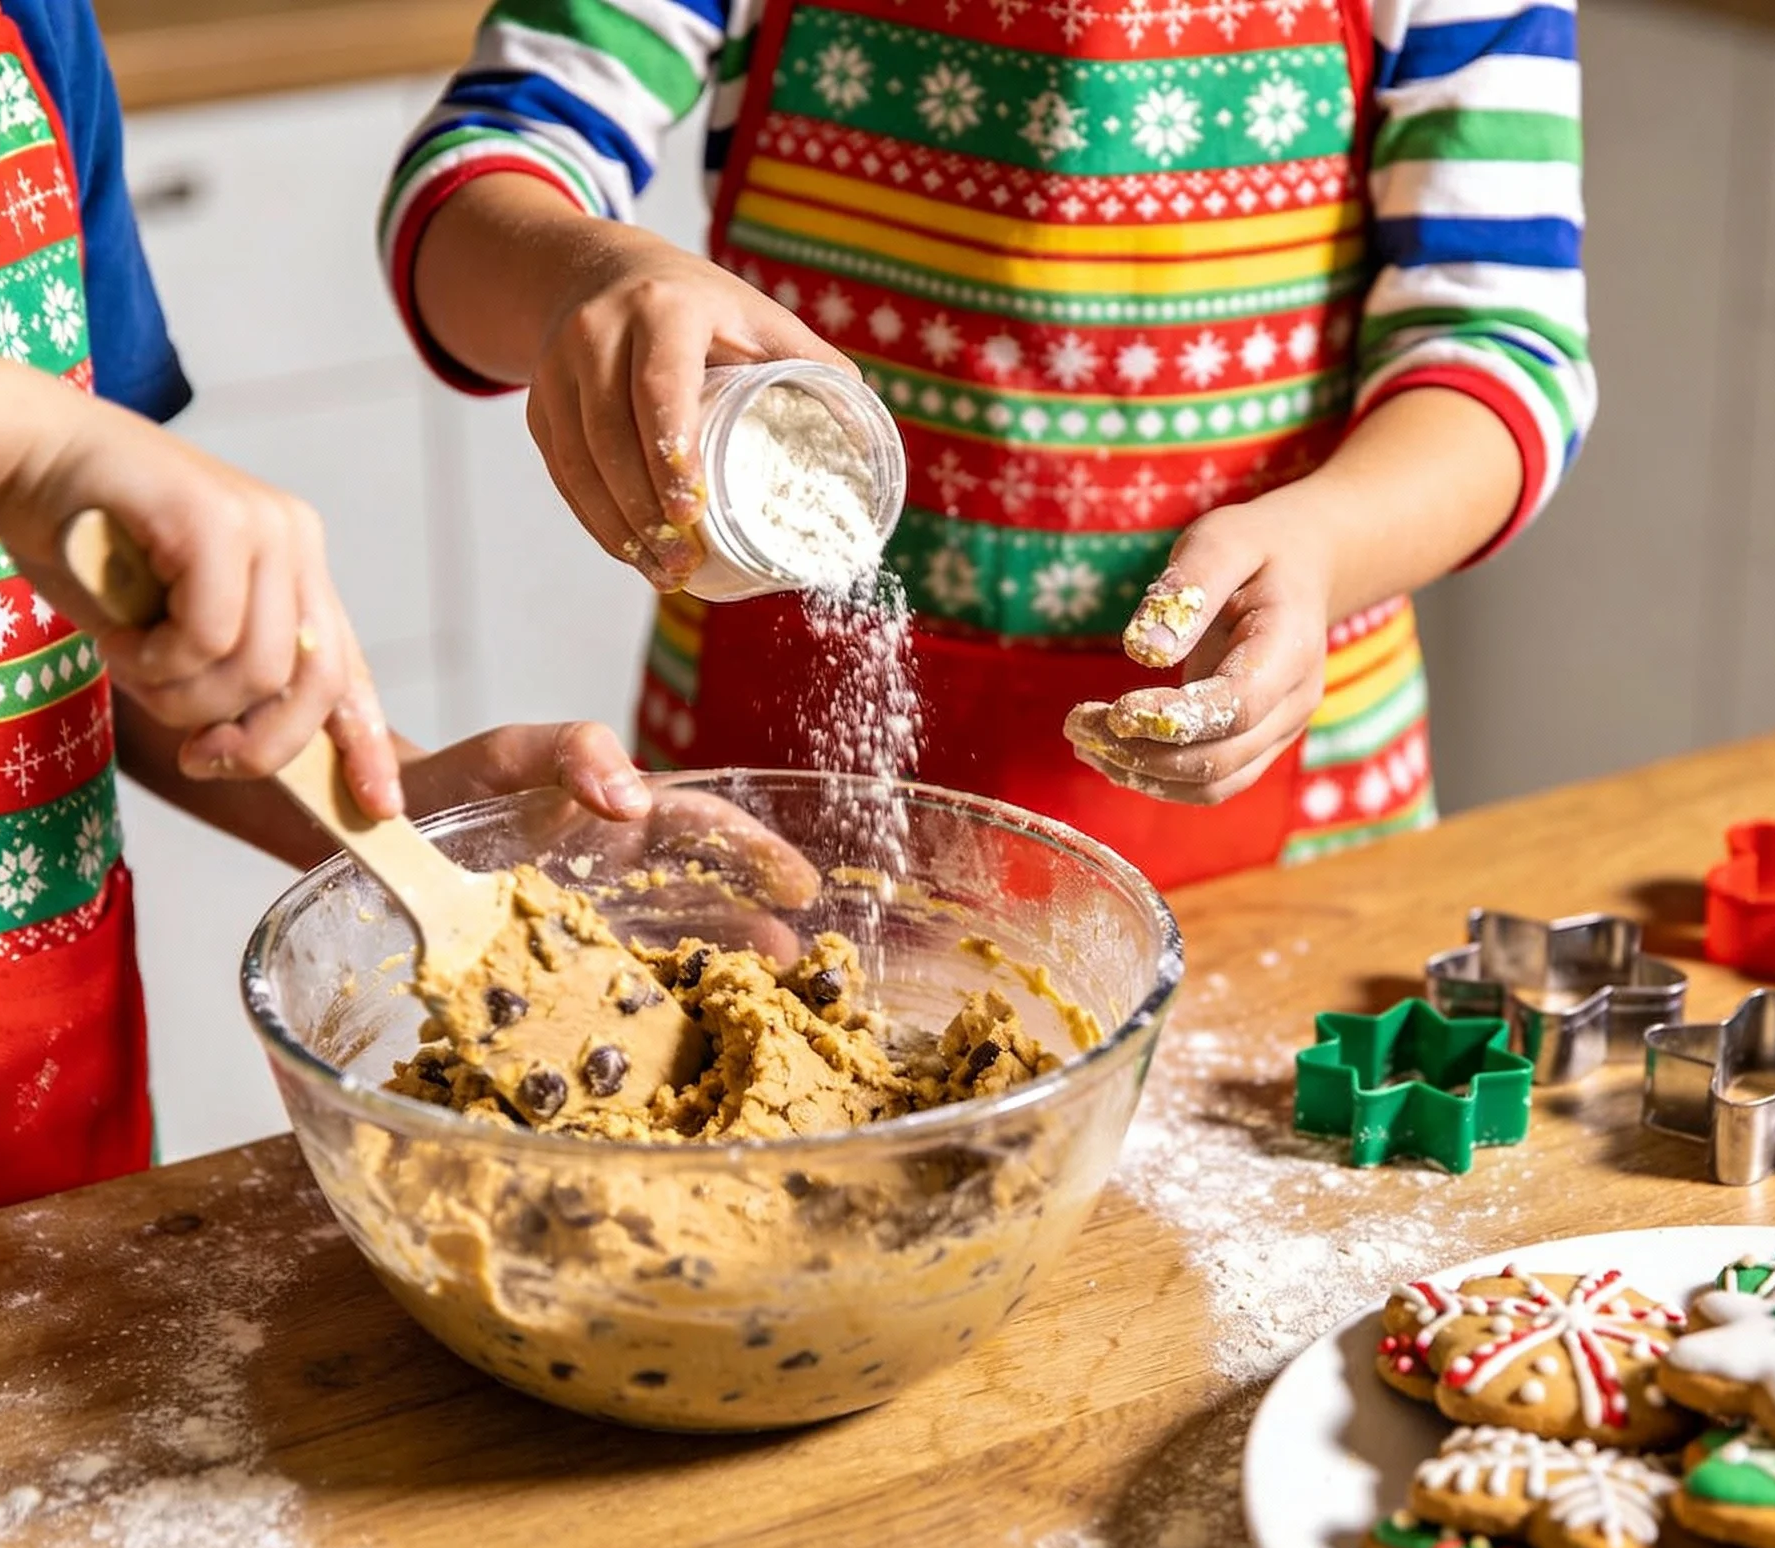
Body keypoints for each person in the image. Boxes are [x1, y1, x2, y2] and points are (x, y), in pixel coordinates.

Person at [0, 0, 649, 1303]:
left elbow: (84, 615)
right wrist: (25, 443)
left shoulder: (27, 28)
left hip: (37, 1150)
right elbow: (31, 463)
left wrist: (401, 818)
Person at [380, 0, 1593, 887]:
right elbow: (468, 186)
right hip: (778, 771)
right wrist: (584, 280)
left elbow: (1506, 352)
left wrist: (1325, 543)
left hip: (1267, 796)